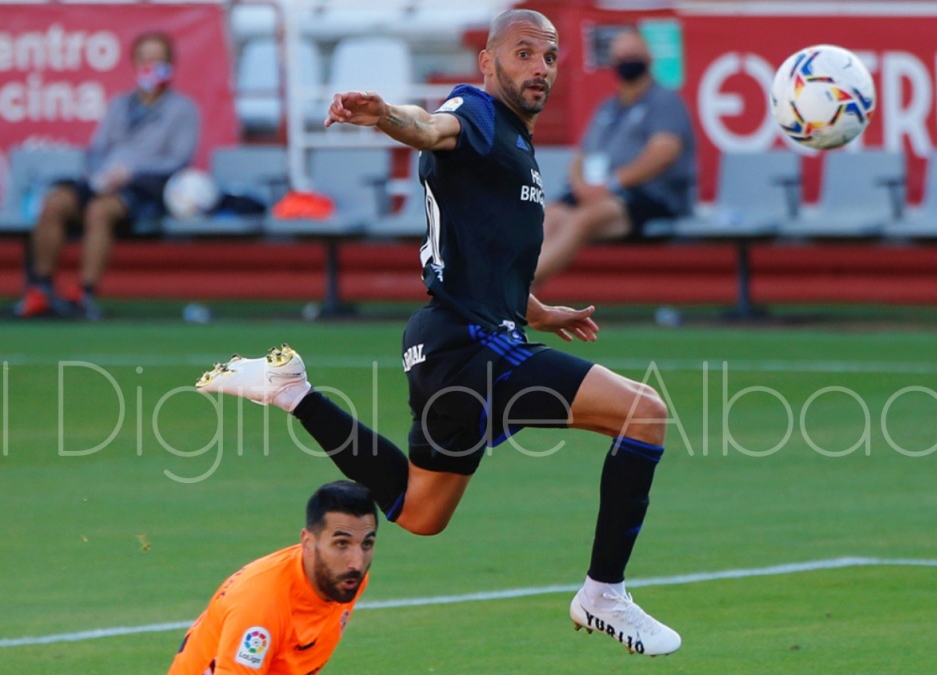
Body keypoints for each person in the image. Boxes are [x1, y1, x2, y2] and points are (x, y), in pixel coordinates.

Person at [195, 9, 680, 656]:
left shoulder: (514, 145)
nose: (539, 67)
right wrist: (389, 117)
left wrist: (536, 309)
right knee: (642, 414)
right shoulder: (477, 112)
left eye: (550, 56)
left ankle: (293, 393)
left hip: (451, 342)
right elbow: (432, 125)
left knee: (421, 512)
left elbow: (474, 253)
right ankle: (603, 593)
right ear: (488, 62)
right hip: (471, 345)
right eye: (524, 53)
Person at [16, 31, 200, 320]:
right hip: (103, 180)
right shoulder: (119, 104)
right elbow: (98, 148)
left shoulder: (183, 109)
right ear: (134, 63)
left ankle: (84, 293)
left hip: (144, 189)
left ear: (171, 64)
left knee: (99, 211)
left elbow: (178, 160)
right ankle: (40, 290)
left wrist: (131, 173)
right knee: (55, 202)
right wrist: (100, 175)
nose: (151, 64)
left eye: (159, 59)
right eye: (145, 58)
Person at [533, 28, 696, 287]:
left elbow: (663, 153)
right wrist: (579, 185)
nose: (627, 60)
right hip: (597, 192)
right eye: (620, 55)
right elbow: (581, 156)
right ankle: (511, 285)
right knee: (550, 215)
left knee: (583, 219)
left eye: (633, 53)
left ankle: (519, 289)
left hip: (650, 197)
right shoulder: (607, 107)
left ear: (648, 57)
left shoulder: (665, 102)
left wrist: (612, 184)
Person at [168, 480, 377, 674]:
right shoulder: (262, 604)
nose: (357, 563)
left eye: (366, 544)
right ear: (308, 542)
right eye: (341, 544)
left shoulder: (346, 580)